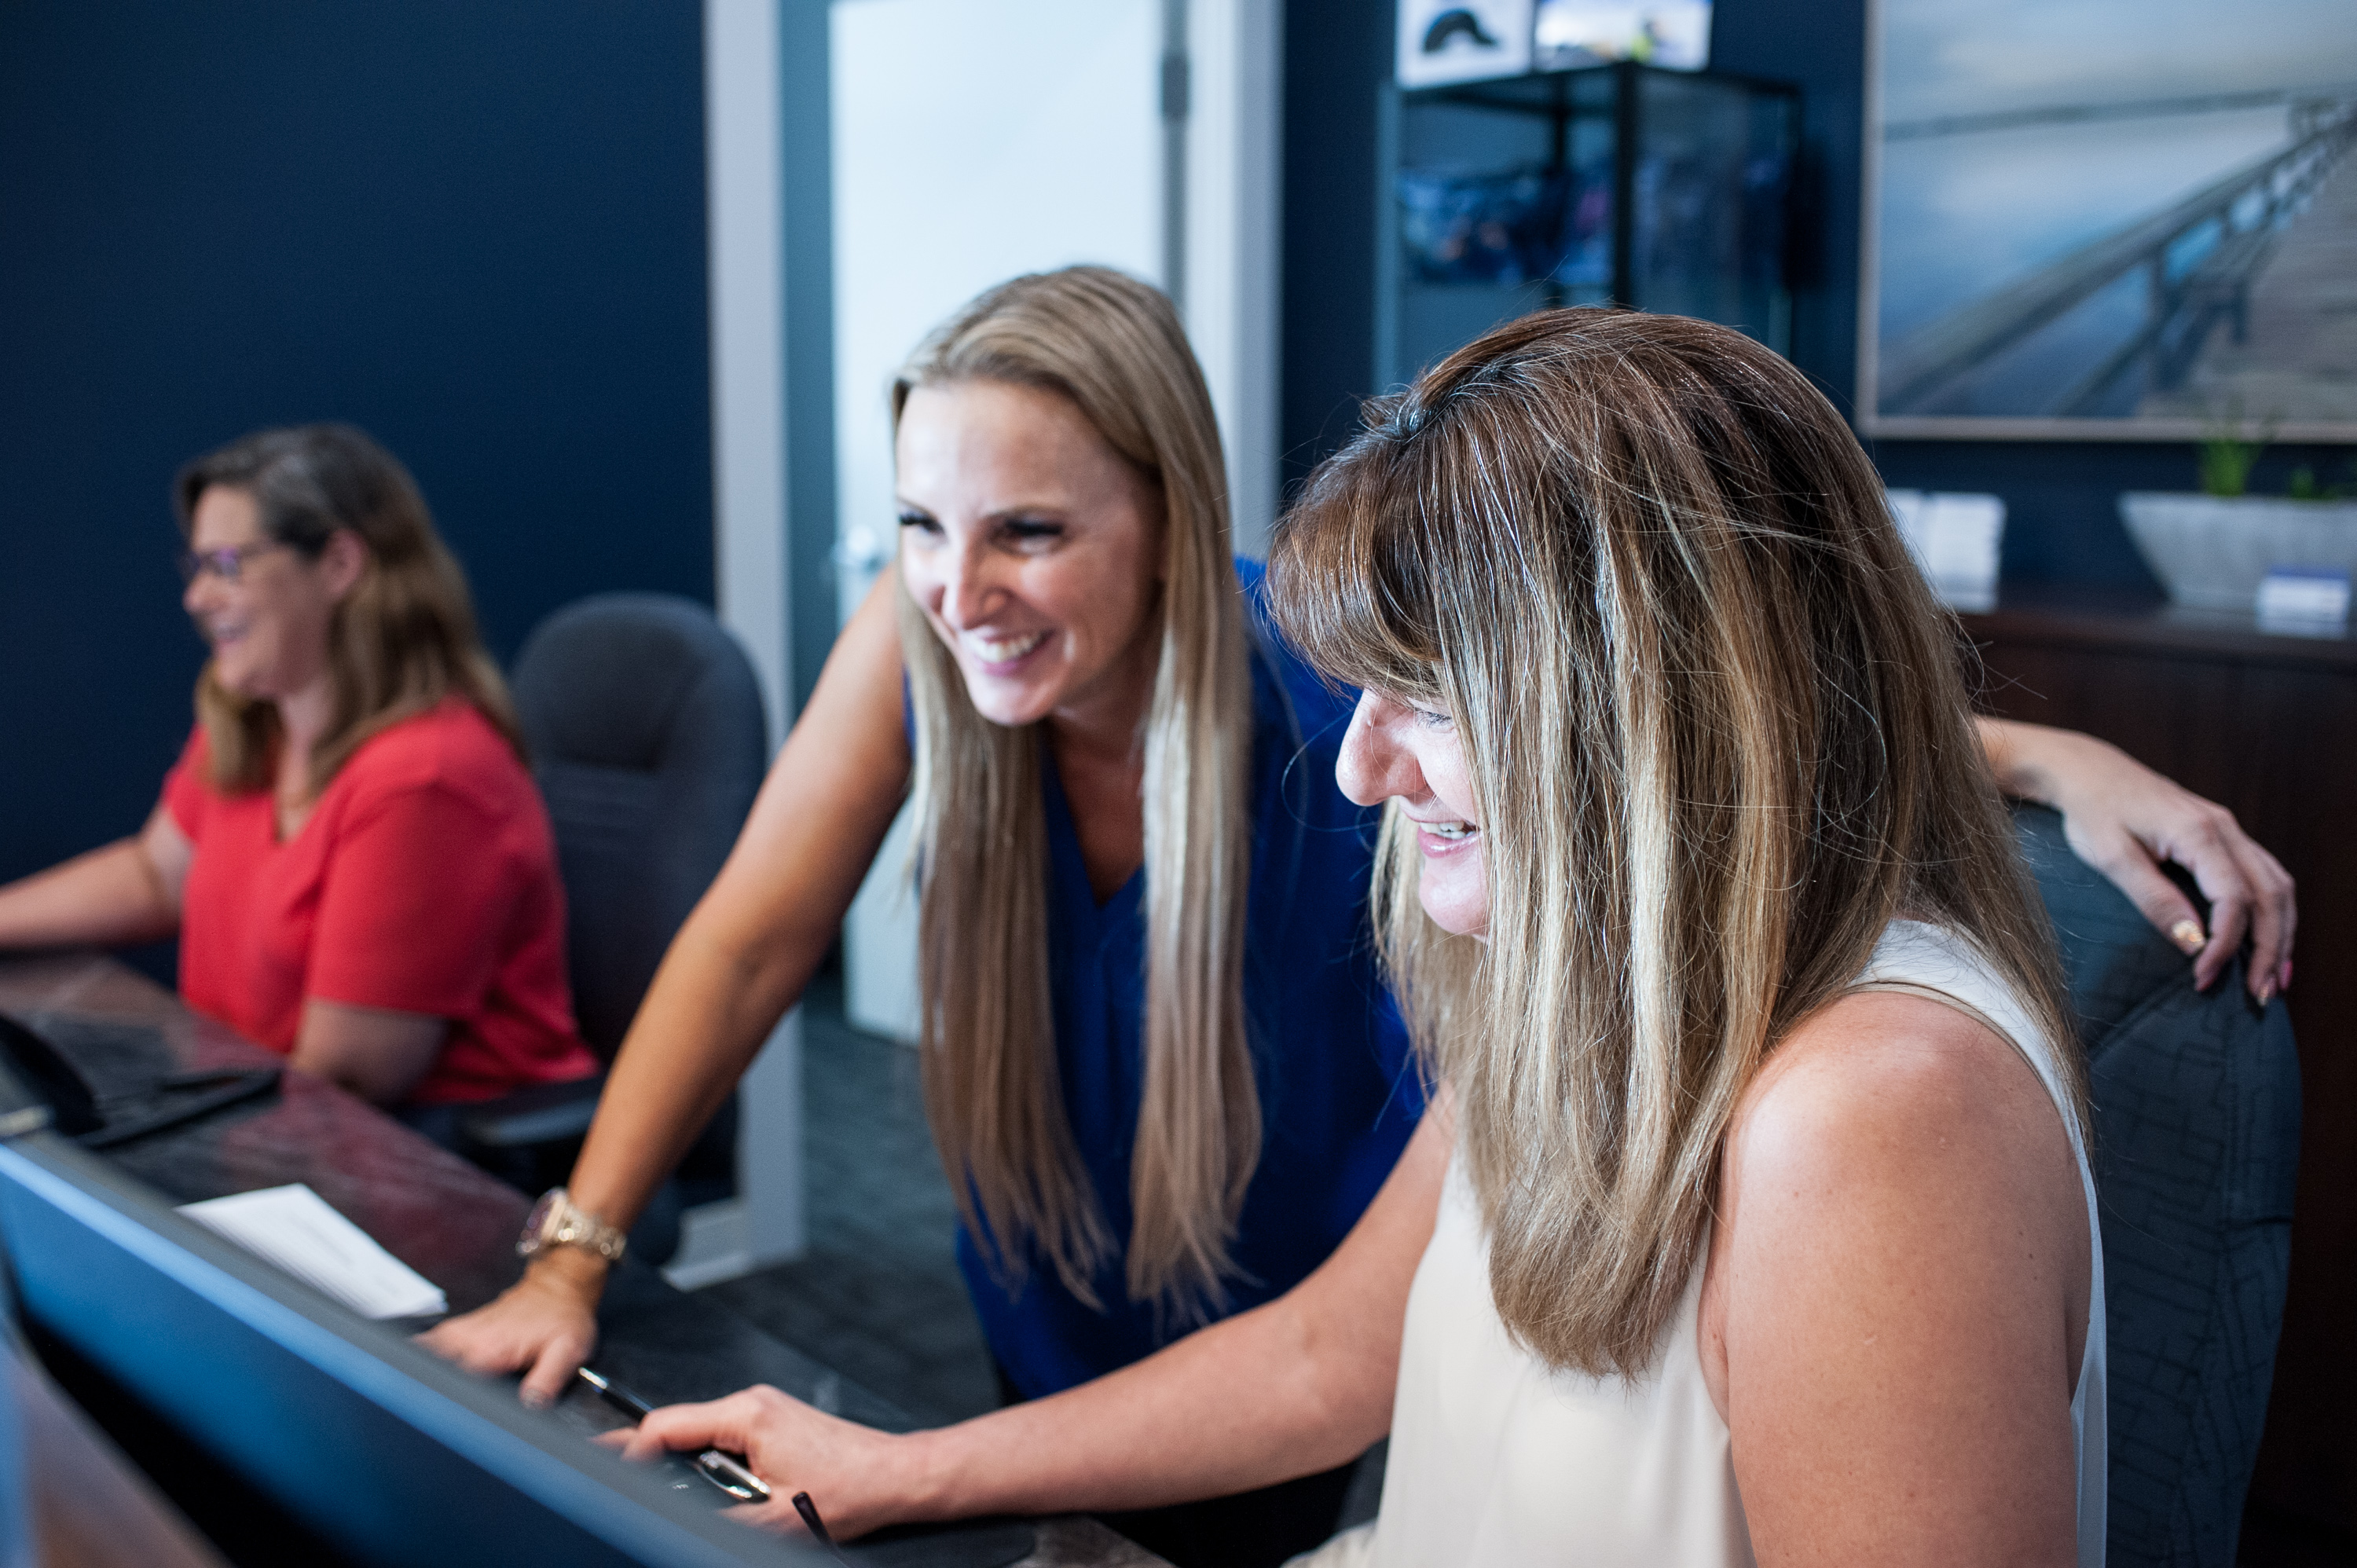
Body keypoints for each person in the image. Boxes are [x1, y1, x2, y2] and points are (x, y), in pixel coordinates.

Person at [427, 272, 2288, 1563]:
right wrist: (897, 1465)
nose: (1356, 763)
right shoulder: (1563, 970)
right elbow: (1339, 1354)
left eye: (1422, 693)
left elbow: (1771, 709)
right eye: (922, 529)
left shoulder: (1870, 1113)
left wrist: (2038, 750)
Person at [0, 423, 598, 1112]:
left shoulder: (426, 779)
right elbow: (157, 875)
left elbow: (345, 1079)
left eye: (228, 564)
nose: (197, 598)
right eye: (197, 567)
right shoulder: (256, 723)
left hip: (418, 1150)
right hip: (260, 1111)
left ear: (339, 564)